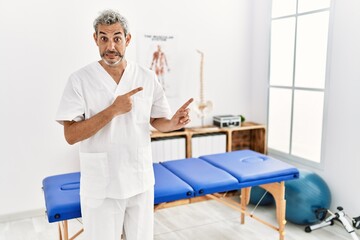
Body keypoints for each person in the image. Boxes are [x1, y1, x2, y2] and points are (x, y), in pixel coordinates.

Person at [55, 9, 193, 240]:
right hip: (102, 186)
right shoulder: (79, 80)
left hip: (139, 181)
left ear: (127, 40)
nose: (111, 46)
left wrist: (174, 123)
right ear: (95, 39)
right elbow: (70, 135)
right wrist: (112, 111)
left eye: (117, 38)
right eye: (104, 38)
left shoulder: (147, 77)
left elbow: (157, 121)